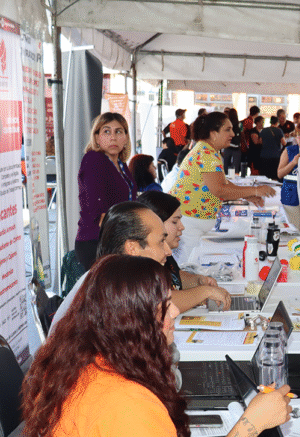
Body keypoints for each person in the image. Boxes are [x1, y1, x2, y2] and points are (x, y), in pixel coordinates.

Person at [23, 255, 292, 437]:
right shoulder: (125, 403)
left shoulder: (83, 361)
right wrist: (251, 425)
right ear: (132, 321)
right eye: (164, 305)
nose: (175, 311)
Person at [50, 201, 173, 334]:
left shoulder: (115, 278)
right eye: (161, 241)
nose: (168, 251)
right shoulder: (114, 290)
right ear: (132, 248)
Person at [170, 112, 275, 263]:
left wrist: (246, 195)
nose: (233, 133)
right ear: (213, 134)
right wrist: (255, 190)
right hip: (188, 223)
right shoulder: (206, 153)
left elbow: (222, 183)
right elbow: (219, 189)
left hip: (190, 222)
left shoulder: (208, 151)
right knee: (186, 270)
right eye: (227, 129)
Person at [138, 191, 231, 312]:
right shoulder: (144, 260)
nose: (182, 227)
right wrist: (204, 292)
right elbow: (162, 301)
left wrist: (198, 281)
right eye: (175, 221)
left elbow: (175, 278)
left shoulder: (164, 254)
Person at [75, 112, 137, 270]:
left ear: (125, 137)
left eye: (119, 131)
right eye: (106, 131)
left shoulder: (122, 165)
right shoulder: (94, 160)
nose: (113, 137)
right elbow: (98, 209)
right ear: (96, 137)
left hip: (119, 239)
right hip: (98, 242)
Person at [259, 115, 286, 180]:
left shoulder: (264, 130)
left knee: (264, 177)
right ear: (277, 122)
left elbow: (259, 141)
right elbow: (284, 143)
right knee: (275, 176)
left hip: (264, 155)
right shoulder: (279, 131)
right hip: (275, 156)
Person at [221, 108, 242, 174]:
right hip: (236, 147)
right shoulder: (240, 124)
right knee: (235, 168)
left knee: (226, 167)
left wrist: (222, 149)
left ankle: (226, 180)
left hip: (228, 147)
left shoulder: (226, 124)